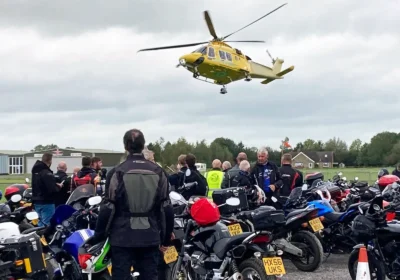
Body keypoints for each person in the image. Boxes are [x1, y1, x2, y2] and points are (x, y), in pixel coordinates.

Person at [89, 128, 173, 280]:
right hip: (150, 235)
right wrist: (166, 238)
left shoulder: (116, 172)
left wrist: (98, 236)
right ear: (143, 145)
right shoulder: (159, 172)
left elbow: (108, 207)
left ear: (125, 147)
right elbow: (166, 208)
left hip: (122, 237)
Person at [31, 153, 61, 227]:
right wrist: (58, 187)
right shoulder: (46, 173)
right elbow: (52, 189)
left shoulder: (35, 171)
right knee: (47, 224)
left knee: (40, 223)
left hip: (37, 201)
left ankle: (39, 237)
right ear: (50, 161)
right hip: (47, 202)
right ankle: (45, 238)